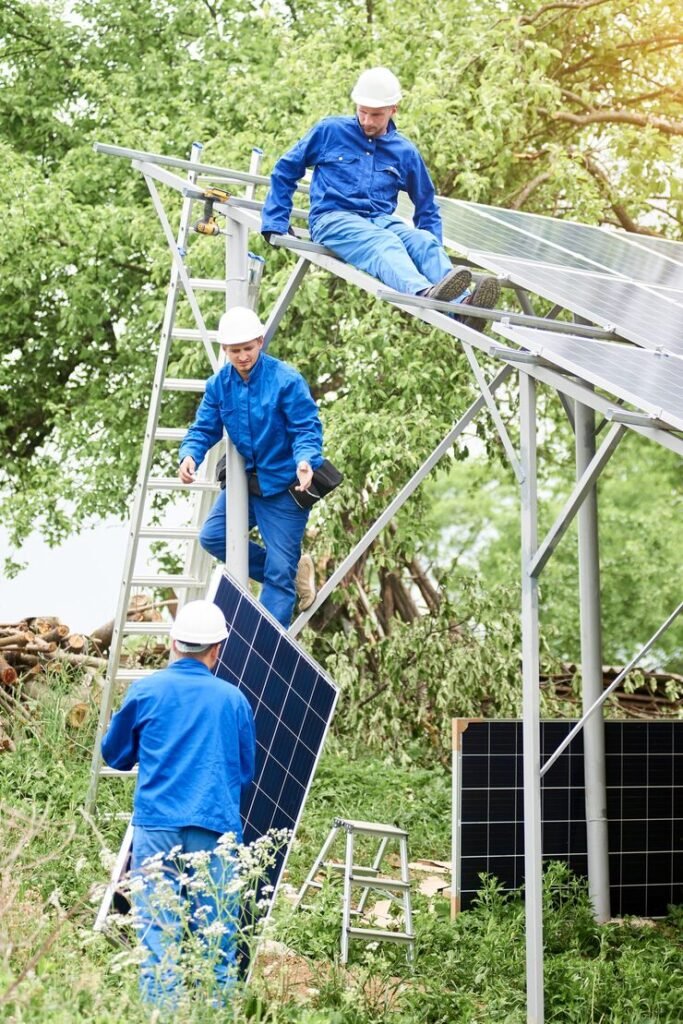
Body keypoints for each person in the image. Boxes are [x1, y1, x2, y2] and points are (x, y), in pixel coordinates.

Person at [101, 599, 256, 1008]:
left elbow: (114, 755)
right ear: (216, 649)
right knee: (217, 941)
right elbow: (244, 773)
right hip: (215, 828)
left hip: (157, 827)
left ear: (173, 642)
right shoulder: (233, 700)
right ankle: (215, 1015)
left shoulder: (145, 691)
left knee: (158, 939)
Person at [261, 66, 500, 328]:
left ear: (393, 109)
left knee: (423, 242)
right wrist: (276, 222)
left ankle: (463, 307)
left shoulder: (405, 152)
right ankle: (422, 293)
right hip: (333, 219)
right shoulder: (330, 131)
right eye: (362, 112)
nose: (367, 121)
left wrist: (434, 252)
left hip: (380, 219)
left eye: (375, 115)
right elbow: (286, 169)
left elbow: (427, 207)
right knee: (384, 243)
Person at [178, 306, 323, 628]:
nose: (242, 356)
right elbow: (204, 428)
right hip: (246, 483)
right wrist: (190, 455)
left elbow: (306, 428)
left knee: (278, 576)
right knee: (213, 537)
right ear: (225, 350)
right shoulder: (219, 385)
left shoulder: (286, 379)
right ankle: (292, 569)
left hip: (287, 486)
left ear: (259, 342)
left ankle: (265, 644)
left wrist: (305, 461)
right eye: (234, 350)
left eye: (247, 348)